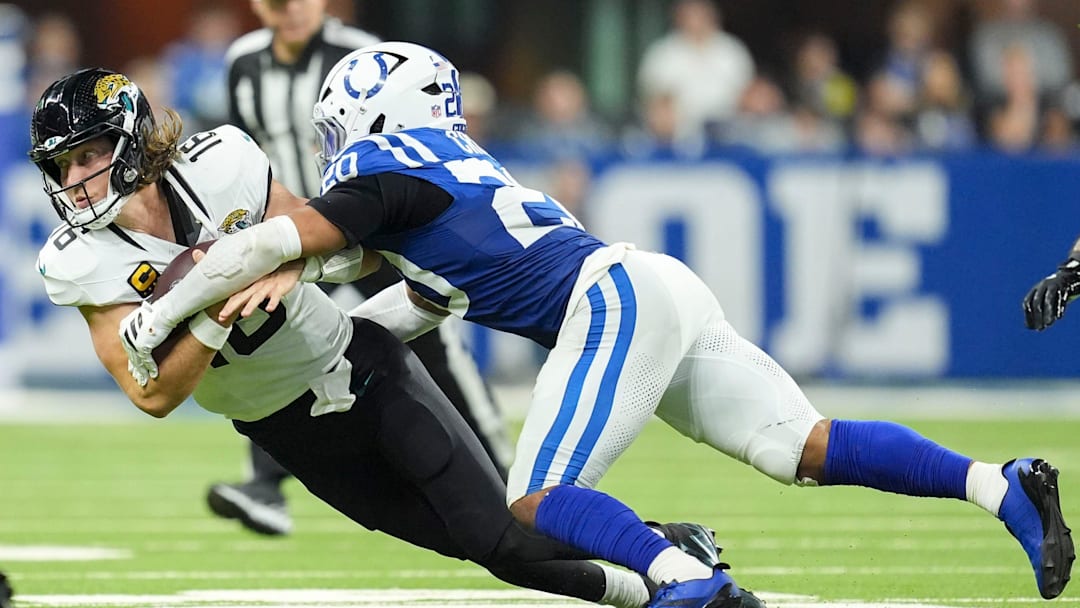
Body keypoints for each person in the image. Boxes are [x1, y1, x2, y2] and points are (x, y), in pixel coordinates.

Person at [120, 42, 1074, 606]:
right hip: (649, 289)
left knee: (532, 499)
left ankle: (679, 577)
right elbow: (413, 303)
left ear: (367, 112)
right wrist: (327, 363)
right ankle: (1002, 488)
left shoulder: (393, 173)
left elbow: (260, 245)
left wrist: (160, 311)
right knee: (801, 445)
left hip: (613, 300)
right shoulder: (446, 181)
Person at [30, 67, 730, 608]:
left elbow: (348, 246)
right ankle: (668, 555)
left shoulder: (222, 163)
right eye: (61, 166)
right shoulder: (79, 260)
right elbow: (151, 395)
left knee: (505, 543)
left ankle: (671, 576)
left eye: (86, 156)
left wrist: (288, 264)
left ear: (131, 141)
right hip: (283, 429)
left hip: (356, 368)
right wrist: (214, 311)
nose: (74, 180)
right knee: (488, 549)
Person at [219, 0, 512, 535]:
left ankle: (503, 469)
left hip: (364, 222)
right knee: (272, 343)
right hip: (288, 231)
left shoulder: (362, 55)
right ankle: (264, 482)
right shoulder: (243, 61)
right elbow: (240, 154)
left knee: (434, 343)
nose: (289, 10)